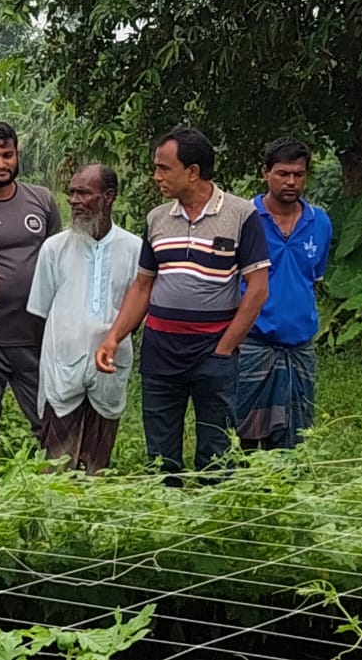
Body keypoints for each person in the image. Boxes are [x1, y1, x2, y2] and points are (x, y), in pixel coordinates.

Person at [96, 127, 271, 486]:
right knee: (160, 451)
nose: (156, 176)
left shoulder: (241, 215)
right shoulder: (157, 218)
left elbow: (257, 289)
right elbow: (143, 285)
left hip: (213, 350)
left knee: (216, 449)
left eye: (164, 168)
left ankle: (213, 513)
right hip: (161, 348)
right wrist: (114, 337)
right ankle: (166, 510)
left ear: (192, 172)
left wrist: (225, 348)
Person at [26, 165, 141, 475]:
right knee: (56, 468)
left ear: (108, 196)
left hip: (109, 368)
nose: (74, 200)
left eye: (84, 193)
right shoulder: (55, 248)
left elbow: (135, 311)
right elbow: (39, 314)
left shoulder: (134, 249)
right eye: (72, 193)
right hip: (62, 370)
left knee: (97, 467)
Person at [0, 121, 60, 460]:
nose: (1, 164)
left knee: (49, 421)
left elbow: (57, 261)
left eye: (7, 155)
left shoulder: (42, 200)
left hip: (35, 335)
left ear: (17, 154)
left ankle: (56, 480)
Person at [234, 138, 331, 450]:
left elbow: (313, 277)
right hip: (253, 342)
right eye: (283, 173)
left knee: (296, 437)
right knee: (245, 433)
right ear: (266, 173)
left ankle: (288, 480)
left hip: (299, 345)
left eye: (298, 174)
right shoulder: (244, 218)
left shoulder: (320, 222)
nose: (291, 181)